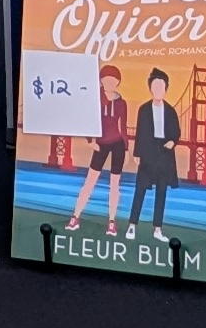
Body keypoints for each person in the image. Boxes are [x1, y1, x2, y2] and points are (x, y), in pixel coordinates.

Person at [70, 61, 133, 231]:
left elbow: (123, 126)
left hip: (118, 144)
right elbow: (86, 120)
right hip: (100, 144)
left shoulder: (121, 103)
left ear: (118, 82)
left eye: (113, 80)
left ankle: (112, 222)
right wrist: (90, 141)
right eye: (106, 79)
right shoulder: (95, 98)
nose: (109, 83)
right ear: (101, 81)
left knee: (115, 184)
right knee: (90, 181)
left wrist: (126, 148)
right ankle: (75, 216)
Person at [129, 67, 182, 229]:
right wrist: (137, 152)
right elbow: (140, 132)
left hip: (164, 153)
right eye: (155, 86)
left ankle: (157, 228)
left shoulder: (171, 111)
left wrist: (173, 142)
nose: (158, 89)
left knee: (161, 191)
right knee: (140, 189)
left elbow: (176, 132)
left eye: (161, 86)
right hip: (147, 151)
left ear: (166, 89)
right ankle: (132, 225)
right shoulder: (144, 109)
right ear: (150, 88)